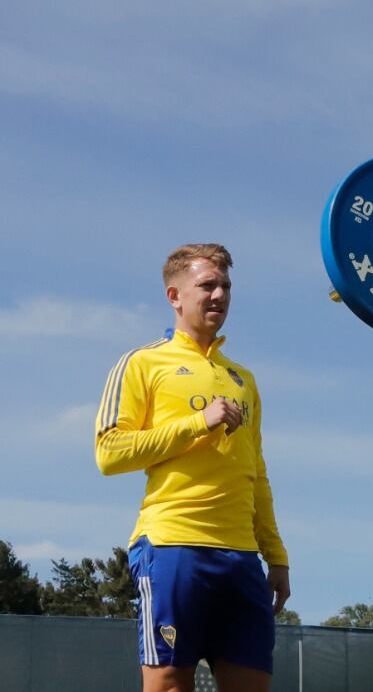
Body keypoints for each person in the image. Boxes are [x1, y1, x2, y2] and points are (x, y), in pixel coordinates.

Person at [95, 244, 290, 692]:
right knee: (168, 684)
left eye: (225, 286)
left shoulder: (244, 379)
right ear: (174, 296)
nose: (219, 294)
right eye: (207, 285)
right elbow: (109, 452)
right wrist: (198, 422)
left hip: (242, 558)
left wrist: (275, 556)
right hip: (172, 549)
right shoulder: (142, 363)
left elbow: (256, 471)